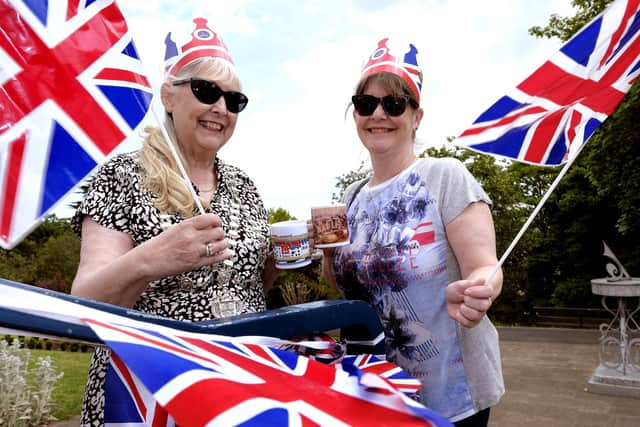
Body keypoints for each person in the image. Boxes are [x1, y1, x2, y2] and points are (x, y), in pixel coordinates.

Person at [70, 18, 276, 424]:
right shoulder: (122, 177)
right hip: (150, 390)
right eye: (206, 91)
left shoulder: (244, 185)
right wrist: (152, 259)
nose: (221, 108)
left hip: (240, 386)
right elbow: (85, 303)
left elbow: (252, 282)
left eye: (234, 100)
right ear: (169, 96)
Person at [321, 38, 504, 426]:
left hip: (449, 393)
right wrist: (325, 254)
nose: (379, 115)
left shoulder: (445, 177)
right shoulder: (350, 197)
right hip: (373, 390)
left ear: (416, 115)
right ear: (355, 114)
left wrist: (478, 291)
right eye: (366, 104)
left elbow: (486, 265)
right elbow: (344, 291)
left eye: (394, 103)